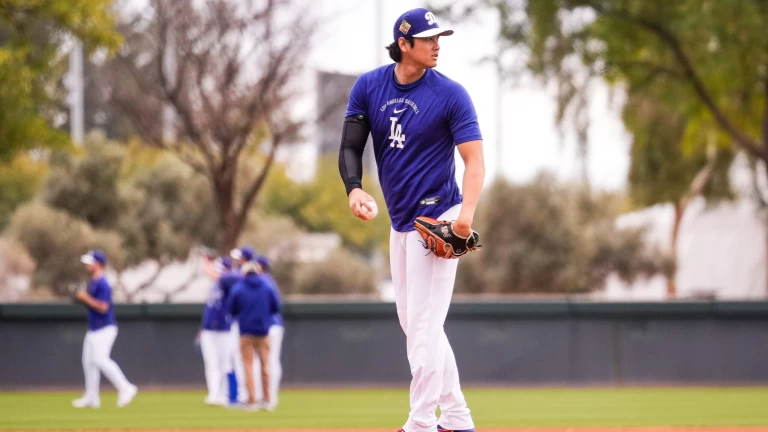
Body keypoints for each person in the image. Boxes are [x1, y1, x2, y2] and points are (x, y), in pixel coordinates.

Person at [338, 7, 484, 432]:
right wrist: (354, 188)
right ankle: (458, 419)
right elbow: (350, 146)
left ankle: (421, 423)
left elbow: (474, 162)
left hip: (440, 217)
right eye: (428, 38)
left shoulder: (451, 94)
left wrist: (465, 218)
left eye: (440, 37)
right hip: (402, 222)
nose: (437, 44)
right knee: (416, 325)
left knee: (422, 325)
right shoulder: (370, 86)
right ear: (404, 44)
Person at [72, 249, 138, 409]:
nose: (87, 265)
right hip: (94, 328)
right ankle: (92, 397)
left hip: (104, 328)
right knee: (88, 362)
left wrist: (85, 298)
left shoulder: (103, 283)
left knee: (100, 360)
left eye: (90, 262)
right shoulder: (94, 281)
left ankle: (126, 388)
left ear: (98, 264)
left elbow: (103, 307)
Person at [226, 261, 281, 410]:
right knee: (265, 365)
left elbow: (231, 309)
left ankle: (251, 400)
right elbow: (276, 307)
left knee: (248, 366)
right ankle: (268, 399)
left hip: (246, 332)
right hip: (264, 331)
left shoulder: (239, 288)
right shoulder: (267, 286)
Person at [198, 256, 237, 406]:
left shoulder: (229, 281)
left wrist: (208, 266)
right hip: (209, 329)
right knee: (211, 363)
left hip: (224, 329)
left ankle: (224, 394)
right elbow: (210, 307)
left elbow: (227, 277)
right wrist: (202, 327)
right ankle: (213, 394)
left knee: (224, 363)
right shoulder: (215, 285)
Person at [252, 255, 284, 410]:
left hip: (269, 326)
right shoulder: (266, 281)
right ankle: (266, 397)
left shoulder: (264, 281)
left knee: (267, 361)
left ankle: (268, 397)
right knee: (267, 361)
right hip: (269, 326)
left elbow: (276, 306)